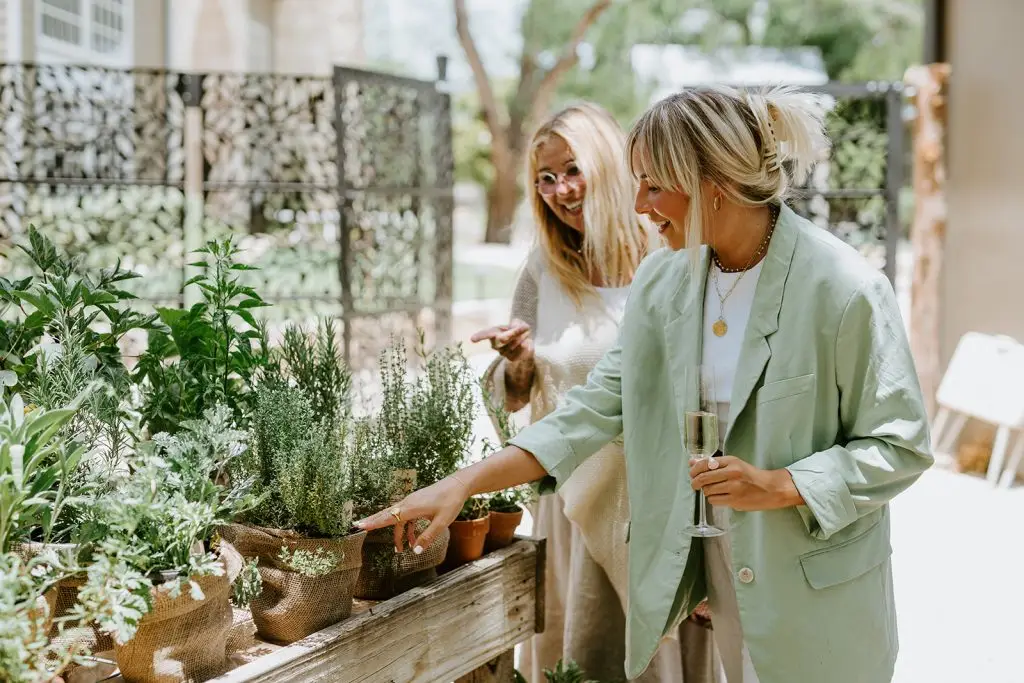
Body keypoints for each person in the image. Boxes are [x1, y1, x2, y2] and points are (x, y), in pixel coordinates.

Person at [357, 85, 933, 683]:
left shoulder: (844, 288)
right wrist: (464, 484)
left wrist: (781, 485)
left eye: (653, 185)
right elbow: (590, 413)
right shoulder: (664, 282)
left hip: (818, 609)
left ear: (712, 181)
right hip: (721, 590)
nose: (637, 205)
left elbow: (900, 445)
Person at [469, 102, 716, 683]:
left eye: (571, 169)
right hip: (575, 495)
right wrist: (520, 363)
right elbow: (509, 397)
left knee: (660, 652)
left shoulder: (670, 254)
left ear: (607, 165)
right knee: (582, 647)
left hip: (660, 494)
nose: (560, 190)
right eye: (545, 178)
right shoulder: (542, 270)